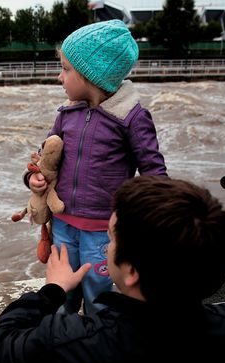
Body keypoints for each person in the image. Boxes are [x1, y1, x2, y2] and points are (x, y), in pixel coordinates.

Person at [0, 176, 225, 363]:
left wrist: (52, 289)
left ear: (132, 270)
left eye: (111, 238)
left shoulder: (75, 344)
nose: (106, 248)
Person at [25, 20, 167, 314]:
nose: (59, 76)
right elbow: (45, 160)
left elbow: (154, 174)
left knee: (99, 294)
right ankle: (64, 334)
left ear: (91, 75)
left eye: (65, 69)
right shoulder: (67, 113)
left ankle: (98, 343)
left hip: (104, 230)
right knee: (62, 290)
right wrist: (33, 178)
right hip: (63, 222)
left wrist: (151, 222)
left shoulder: (131, 118)